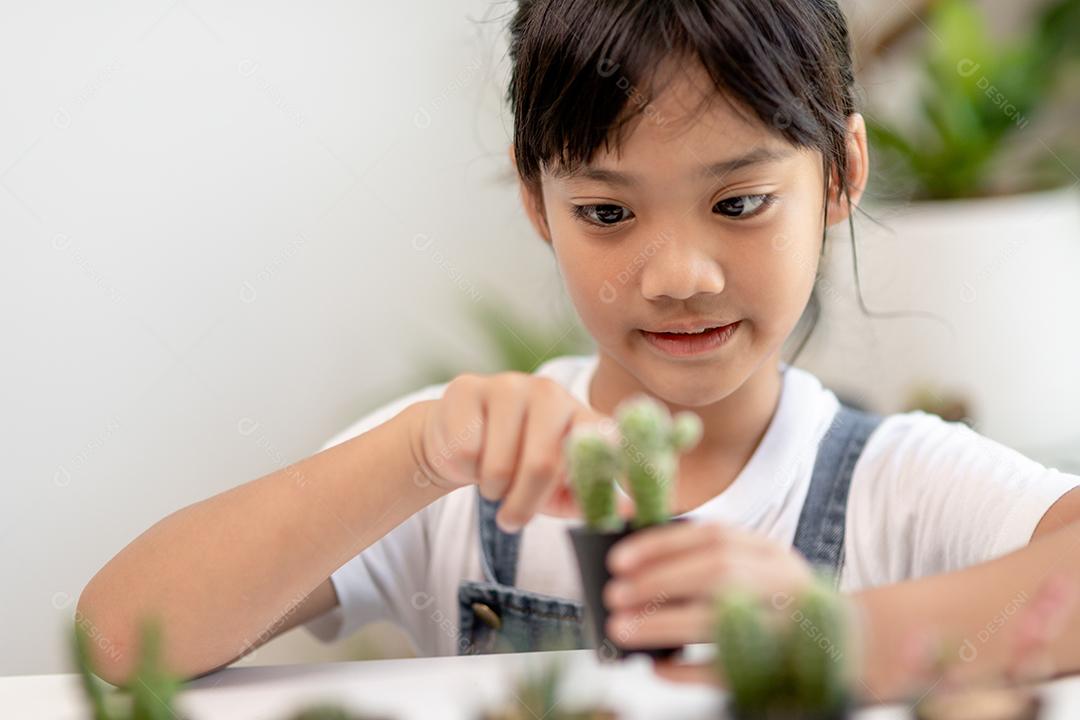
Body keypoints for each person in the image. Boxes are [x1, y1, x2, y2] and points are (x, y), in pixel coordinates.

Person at [78, 0, 1080, 703]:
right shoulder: (456, 475)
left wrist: (821, 632)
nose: (677, 273)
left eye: (739, 203)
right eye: (607, 210)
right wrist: (418, 454)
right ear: (535, 203)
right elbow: (121, 642)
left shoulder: (896, 484)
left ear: (839, 175)